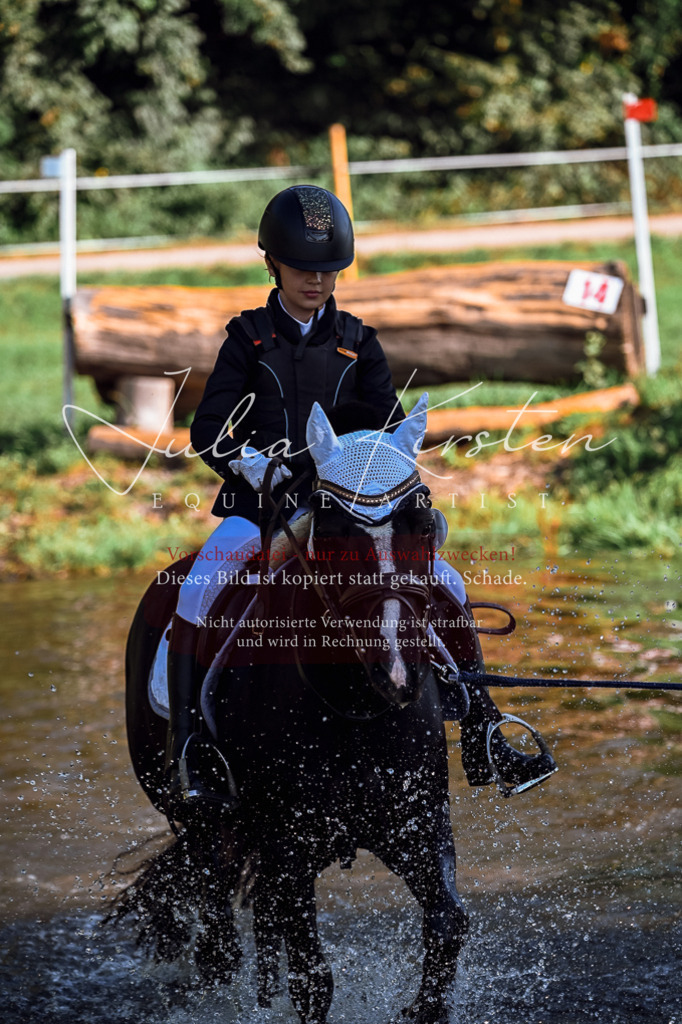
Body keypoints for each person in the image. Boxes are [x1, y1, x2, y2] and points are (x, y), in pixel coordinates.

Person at [163, 184, 556, 821]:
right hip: (258, 510)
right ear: (273, 267)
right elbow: (208, 429)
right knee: (196, 587)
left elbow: (391, 433)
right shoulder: (246, 340)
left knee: (447, 582)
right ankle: (192, 749)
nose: (316, 281)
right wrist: (247, 462)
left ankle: (486, 731)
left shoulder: (356, 342)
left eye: (328, 270)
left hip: (347, 512)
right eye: (302, 269)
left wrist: (397, 479)